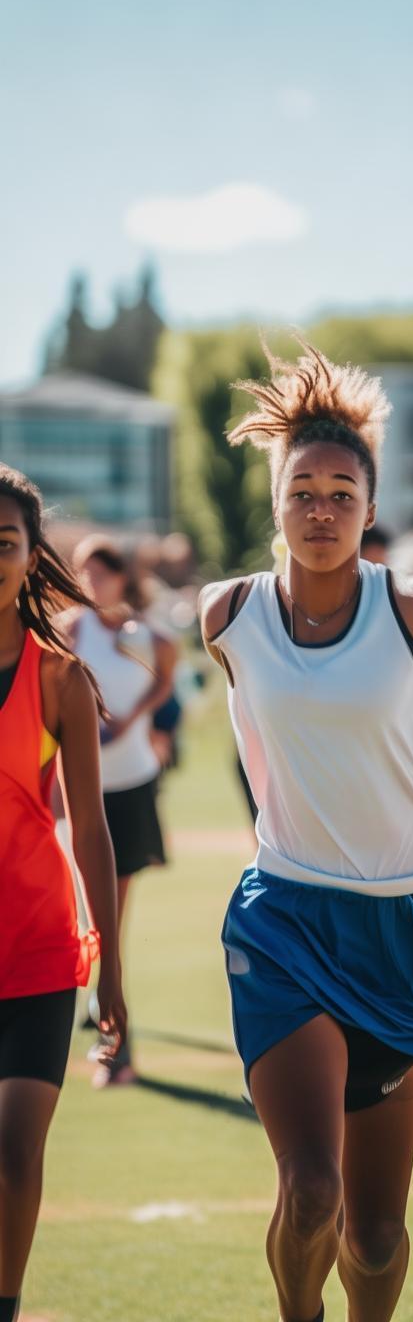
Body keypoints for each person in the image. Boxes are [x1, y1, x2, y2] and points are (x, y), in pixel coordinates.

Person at [199, 338, 413, 1322]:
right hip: (283, 921)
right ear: (276, 502)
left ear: (371, 509)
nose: (322, 509)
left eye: (342, 491)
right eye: (303, 491)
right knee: (313, 1192)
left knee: (375, 1237)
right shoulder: (227, 615)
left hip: (401, 922)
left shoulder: (412, 604)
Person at [0, 466, 126, 1322]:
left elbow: (91, 831)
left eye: (4, 543)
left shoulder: (59, 680)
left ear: (29, 556)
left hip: (38, 946)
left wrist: (111, 971)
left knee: (12, 1157)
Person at [67, 536, 176, 1085]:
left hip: (131, 786)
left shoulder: (147, 635)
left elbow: (168, 679)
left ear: (120, 577)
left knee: (110, 922)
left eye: (101, 573)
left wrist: (136, 718)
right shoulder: (68, 631)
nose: (93, 583)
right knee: (83, 919)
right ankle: (98, 1017)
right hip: (77, 793)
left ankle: (115, 1045)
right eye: (85, 573)